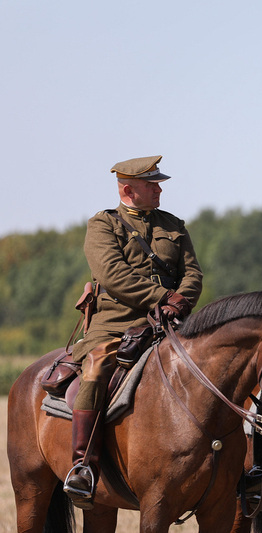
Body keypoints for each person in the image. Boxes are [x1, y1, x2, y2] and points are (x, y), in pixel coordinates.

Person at [63, 155, 203, 509]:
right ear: (128, 190)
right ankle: (83, 465)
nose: (158, 190)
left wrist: (179, 302)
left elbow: (193, 273)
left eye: (158, 184)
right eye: (151, 185)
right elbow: (113, 276)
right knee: (95, 370)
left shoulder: (174, 224)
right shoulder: (103, 225)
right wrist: (162, 296)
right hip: (116, 323)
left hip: (171, 321)